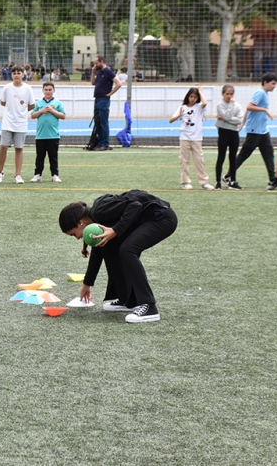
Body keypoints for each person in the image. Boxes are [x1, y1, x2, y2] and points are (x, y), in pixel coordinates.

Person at [59, 190, 177, 323]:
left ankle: (149, 307)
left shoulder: (100, 210)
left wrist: (115, 230)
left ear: (80, 222)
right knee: (109, 247)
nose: (77, 238)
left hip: (162, 218)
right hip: (151, 220)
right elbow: (97, 252)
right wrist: (87, 283)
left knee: (127, 250)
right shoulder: (97, 220)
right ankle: (129, 300)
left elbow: (136, 205)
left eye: (73, 234)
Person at [234, 72, 277, 189]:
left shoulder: (265, 94)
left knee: (269, 154)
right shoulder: (260, 92)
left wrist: (243, 122)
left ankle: (273, 179)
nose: (274, 86)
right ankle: (229, 176)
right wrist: (265, 110)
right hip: (255, 131)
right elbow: (249, 106)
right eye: (273, 83)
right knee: (244, 154)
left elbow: (248, 109)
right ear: (265, 83)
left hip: (263, 131)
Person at [0, 65, 36, 183]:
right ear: (12, 75)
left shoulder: (28, 89)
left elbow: (32, 105)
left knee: (19, 148)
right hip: (7, 122)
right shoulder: (7, 88)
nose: (16, 75)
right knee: (3, 146)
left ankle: (18, 175)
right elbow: (3, 102)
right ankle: (0, 172)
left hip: (21, 123)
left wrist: (21, 111)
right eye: (14, 73)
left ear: (23, 74)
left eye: (19, 73)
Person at [169, 86, 213, 190]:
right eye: (191, 96)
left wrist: (201, 92)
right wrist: (179, 115)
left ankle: (204, 182)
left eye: (195, 97)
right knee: (184, 160)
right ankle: (185, 182)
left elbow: (205, 103)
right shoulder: (182, 107)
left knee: (199, 160)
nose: (193, 99)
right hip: (185, 137)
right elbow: (170, 120)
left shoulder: (199, 107)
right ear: (188, 96)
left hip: (196, 138)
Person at [30, 82, 66, 183]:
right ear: (43, 90)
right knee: (40, 157)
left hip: (53, 135)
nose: (48, 92)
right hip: (40, 136)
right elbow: (32, 116)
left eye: (50, 89)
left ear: (53, 90)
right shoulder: (39, 103)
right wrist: (41, 111)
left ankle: (54, 174)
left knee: (53, 157)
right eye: (46, 90)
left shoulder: (57, 103)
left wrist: (52, 111)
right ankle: (37, 174)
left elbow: (63, 116)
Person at [215, 84, 244, 190]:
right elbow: (227, 116)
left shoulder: (238, 105)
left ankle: (232, 181)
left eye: (231, 94)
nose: (229, 96)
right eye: (227, 94)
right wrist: (228, 117)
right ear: (223, 94)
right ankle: (218, 182)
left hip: (234, 133)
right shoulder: (220, 105)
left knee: (233, 158)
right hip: (223, 132)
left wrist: (225, 119)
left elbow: (239, 120)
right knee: (221, 157)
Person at [90, 55, 122, 151]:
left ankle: (105, 143)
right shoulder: (99, 72)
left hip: (103, 99)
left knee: (103, 122)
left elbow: (118, 83)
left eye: (96, 63)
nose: (95, 65)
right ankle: (99, 143)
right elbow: (93, 83)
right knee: (98, 121)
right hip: (97, 98)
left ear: (101, 61)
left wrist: (110, 94)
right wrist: (93, 72)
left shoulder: (108, 71)